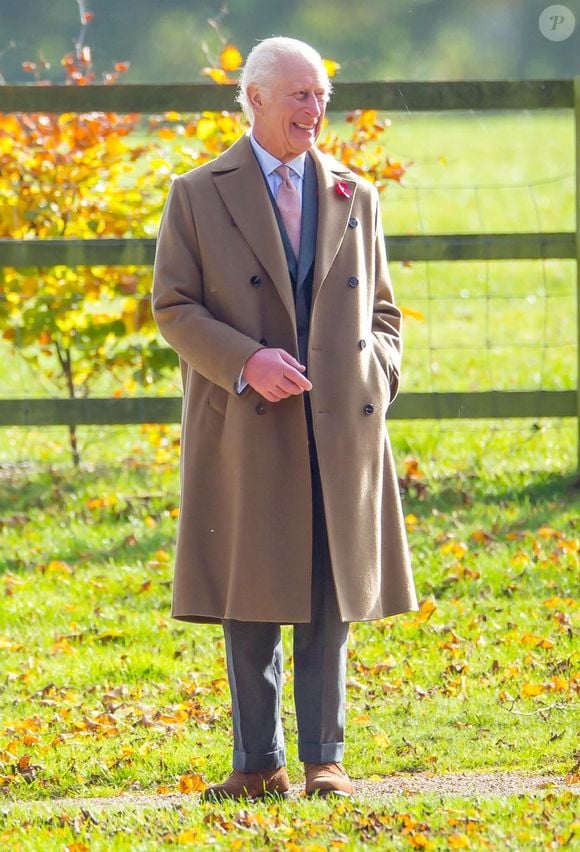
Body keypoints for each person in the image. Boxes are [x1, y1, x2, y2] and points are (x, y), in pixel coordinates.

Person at [152, 36, 419, 801]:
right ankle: (256, 762)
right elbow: (173, 307)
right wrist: (246, 361)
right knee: (251, 592)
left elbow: (384, 311)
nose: (316, 109)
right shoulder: (198, 192)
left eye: (322, 95)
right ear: (256, 98)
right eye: (300, 94)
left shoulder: (354, 193)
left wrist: (379, 371)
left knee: (328, 592)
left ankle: (324, 760)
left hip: (340, 425)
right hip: (247, 422)